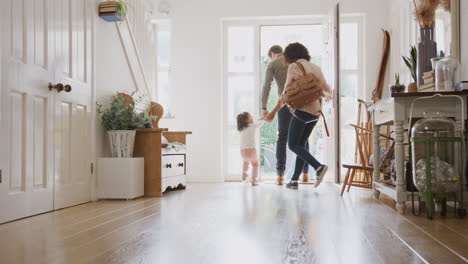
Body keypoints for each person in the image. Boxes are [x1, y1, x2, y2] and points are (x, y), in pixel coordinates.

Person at [264, 42, 331, 189]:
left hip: (302, 111)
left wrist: (273, 111)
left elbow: (286, 92)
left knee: (293, 144)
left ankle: (318, 167)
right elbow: (327, 90)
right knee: (301, 145)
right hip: (316, 113)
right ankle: (294, 180)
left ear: (290, 55)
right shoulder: (316, 67)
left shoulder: (294, 66)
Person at [261, 45, 309, 185]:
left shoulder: (273, 64)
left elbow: (267, 85)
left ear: (272, 54)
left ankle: (280, 176)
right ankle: (305, 174)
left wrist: (264, 107)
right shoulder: (296, 62)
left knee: (282, 138)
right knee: (303, 138)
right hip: (302, 103)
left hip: (285, 104)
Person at [237, 112, 264, 186]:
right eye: (250, 117)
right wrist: (263, 118)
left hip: (242, 151)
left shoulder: (241, 128)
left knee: (246, 162)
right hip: (251, 150)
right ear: (247, 120)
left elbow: (255, 122)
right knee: (255, 165)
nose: (252, 117)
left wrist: (259, 119)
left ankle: (244, 175)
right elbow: (259, 124)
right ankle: (254, 180)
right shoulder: (252, 126)